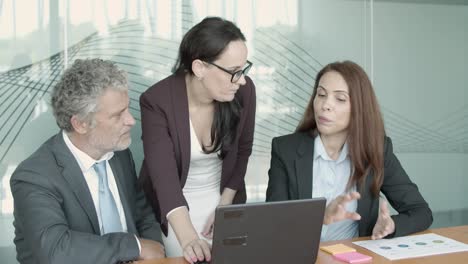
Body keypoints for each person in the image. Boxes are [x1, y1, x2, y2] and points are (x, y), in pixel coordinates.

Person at [10, 58, 165, 264]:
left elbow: (142, 213)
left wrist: (152, 250)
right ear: (81, 124)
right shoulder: (34, 177)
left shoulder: (119, 154)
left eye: (127, 109)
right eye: (117, 115)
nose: (131, 121)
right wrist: (134, 246)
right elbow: (57, 251)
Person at [266, 60, 432, 241]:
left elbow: (421, 212)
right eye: (321, 94)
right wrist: (319, 219)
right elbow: (273, 223)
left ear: (359, 108)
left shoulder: (377, 150)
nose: (325, 105)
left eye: (340, 99)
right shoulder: (285, 150)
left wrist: (391, 225)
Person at [139, 17, 256, 263]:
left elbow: (243, 151)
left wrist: (224, 207)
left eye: (244, 69)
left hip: (224, 197)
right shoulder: (156, 101)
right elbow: (164, 178)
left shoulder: (244, 91)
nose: (242, 80)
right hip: (174, 207)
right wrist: (190, 238)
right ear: (200, 68)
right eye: (234, 72)